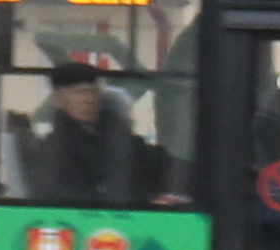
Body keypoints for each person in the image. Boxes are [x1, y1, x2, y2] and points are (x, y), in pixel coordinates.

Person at [18, 54, 174, 205]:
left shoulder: (121, 137)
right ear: (59, 100)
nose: (89, 99)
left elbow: (161, 166)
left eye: (93, 91)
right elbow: (70, 197)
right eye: (79, 92)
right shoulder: (54, 149)